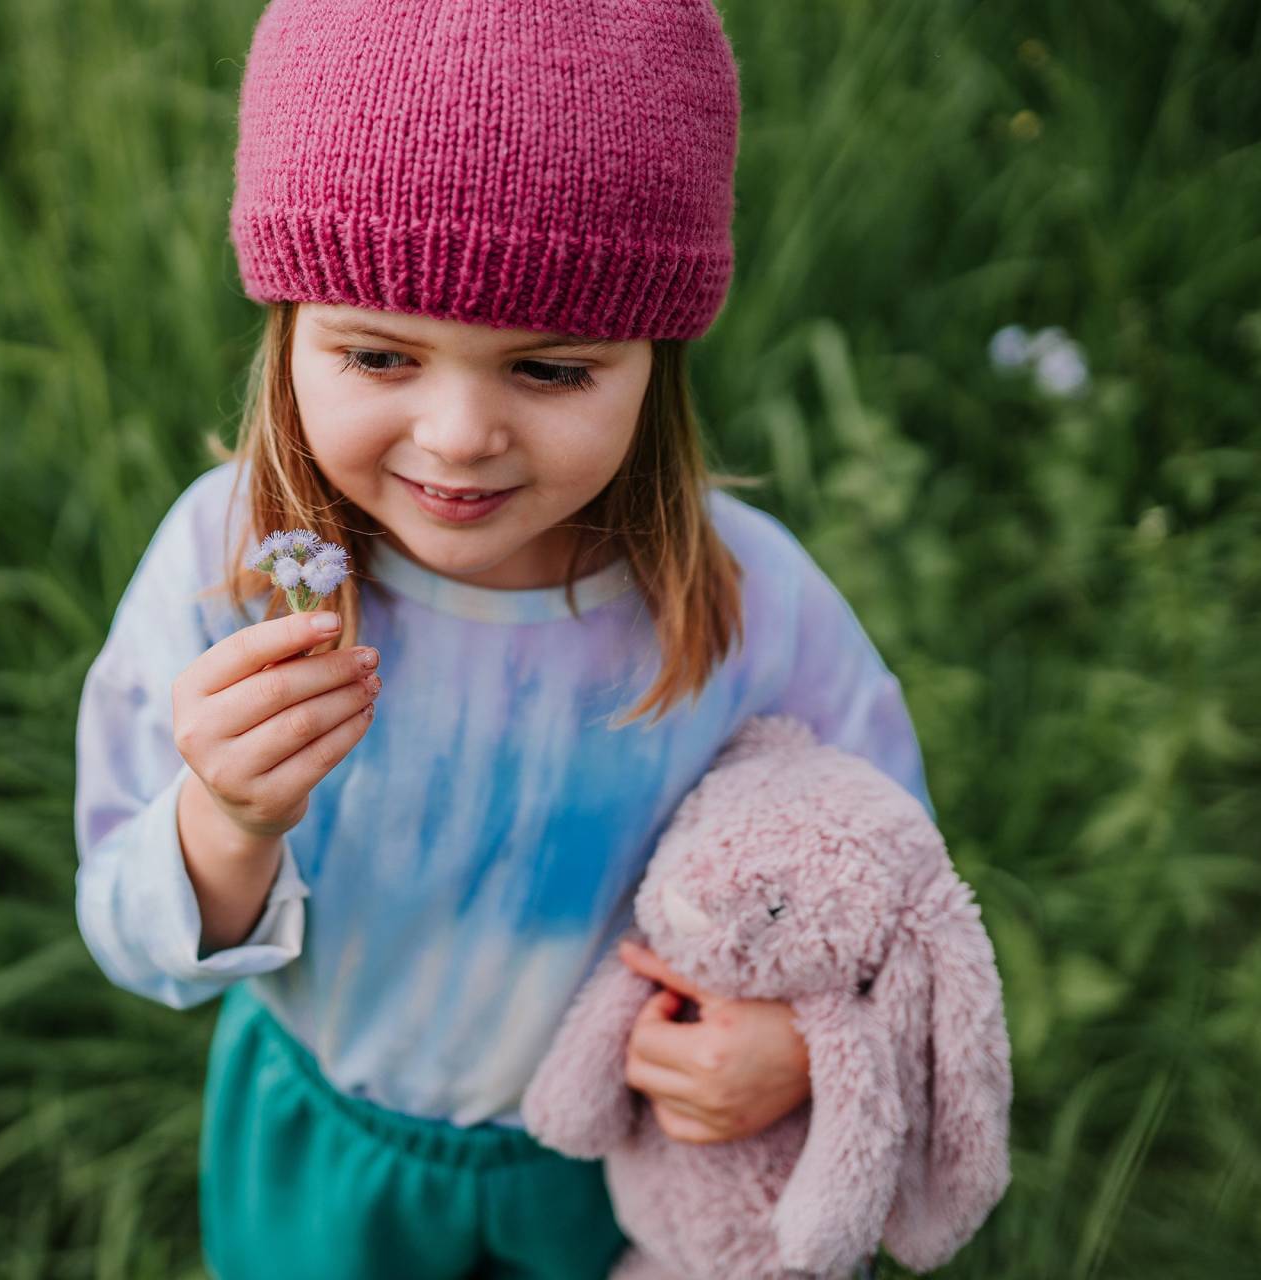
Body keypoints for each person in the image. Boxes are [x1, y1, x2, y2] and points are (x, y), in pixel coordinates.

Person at [72, 2, 924, 1276]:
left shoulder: (751, 602)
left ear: (656, 361)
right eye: (378, 353)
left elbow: (894, 895)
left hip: (616, 1170)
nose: (460, 433)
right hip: (329, 1155)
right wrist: (227, 822)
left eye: (551, 370)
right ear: (288, 332)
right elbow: (132, 939)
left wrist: (803, 1048)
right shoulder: (232, 565)